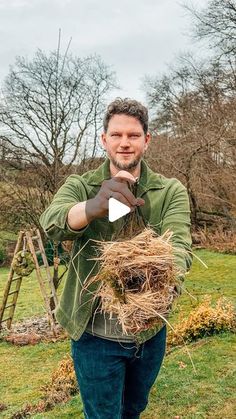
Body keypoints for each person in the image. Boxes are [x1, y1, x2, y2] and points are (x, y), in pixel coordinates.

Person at [40, 98, 192, 419]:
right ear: (104, 140)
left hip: (148, 335)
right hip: (95, 336)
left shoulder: (169, 191)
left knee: (133, 410)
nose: (125, 143)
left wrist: (161, 283)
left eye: (134, 135)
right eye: (117, 135)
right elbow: (53, 222)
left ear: (146, 141)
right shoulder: (80, 185)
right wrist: (93, 207)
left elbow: (180, 248)